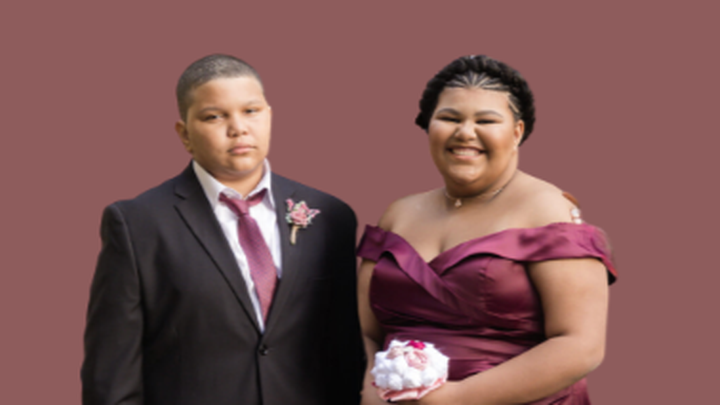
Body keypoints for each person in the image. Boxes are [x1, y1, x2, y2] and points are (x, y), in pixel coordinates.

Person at [81, 54, 364, 405]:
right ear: (184, 134)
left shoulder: (331, 216)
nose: (238, 128)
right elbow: (111, 375)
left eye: (251, 111)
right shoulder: (138, 223)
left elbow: (347, 348)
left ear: (269, 116)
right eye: (214, 116)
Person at [357, 55, 617, 404]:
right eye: (450, 118)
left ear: (517, 132)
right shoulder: (398, 213)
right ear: (429, 126)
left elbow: (580, 346)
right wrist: (369, 391)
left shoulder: (547, 210)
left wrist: (456, 398)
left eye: (486, 120)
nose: (465, 132)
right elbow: (364, 331)